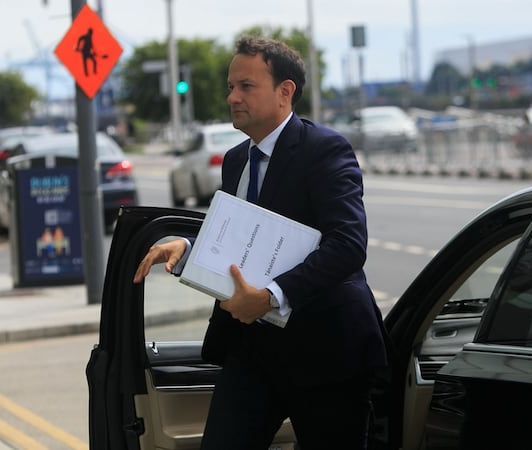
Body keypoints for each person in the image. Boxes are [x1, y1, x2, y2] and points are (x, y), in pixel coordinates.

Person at [133, 36, 388, 449]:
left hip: (326, 351)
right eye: (231, 87)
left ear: (285, 92)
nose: (233, 97)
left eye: (246, 86)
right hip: (253, 351)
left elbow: (347, 244)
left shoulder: (324, 150)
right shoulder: (236, 160)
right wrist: (188, 248)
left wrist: (271, 296)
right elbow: (239, 239)